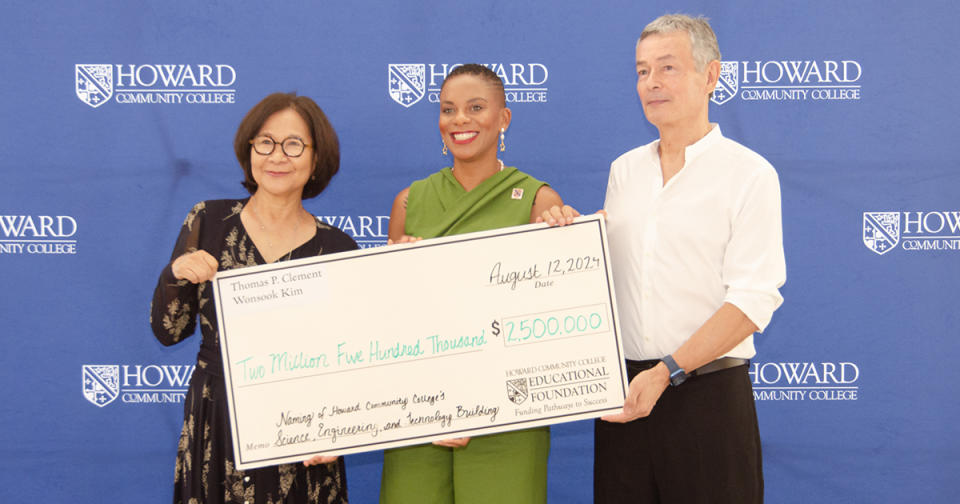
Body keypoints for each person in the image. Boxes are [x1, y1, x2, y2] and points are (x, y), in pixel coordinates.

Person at [542, 13, 786, 503]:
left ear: (710, 76)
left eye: (667, 68)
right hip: (625, 397)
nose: (651, 83)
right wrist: (566, 237)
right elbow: (607, 277)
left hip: (708, 400)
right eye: (641, 71)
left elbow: (753, 301)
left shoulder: (749, 174)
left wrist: (668, 371)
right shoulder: (624, 170)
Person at [150, 92, 355, 504]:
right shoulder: (206, 221)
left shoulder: (338, 248)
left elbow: (353, 361)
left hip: (303, 429)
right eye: (265, 142)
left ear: (317, 159)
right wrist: (174, 277)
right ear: (249, 151)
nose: (277, 156)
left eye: (294, 144)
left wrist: (344, 430)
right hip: (218, 420)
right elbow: (169, 332)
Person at [381, 63, 565, 504]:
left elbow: (549, 329)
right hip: (418, 418)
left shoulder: (539, 201)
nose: (459, 120)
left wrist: (566, 241)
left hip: (508, 421)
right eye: (448, 110)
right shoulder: (409, 201)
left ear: (503, 118)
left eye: (475, 107)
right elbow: (389, 324)